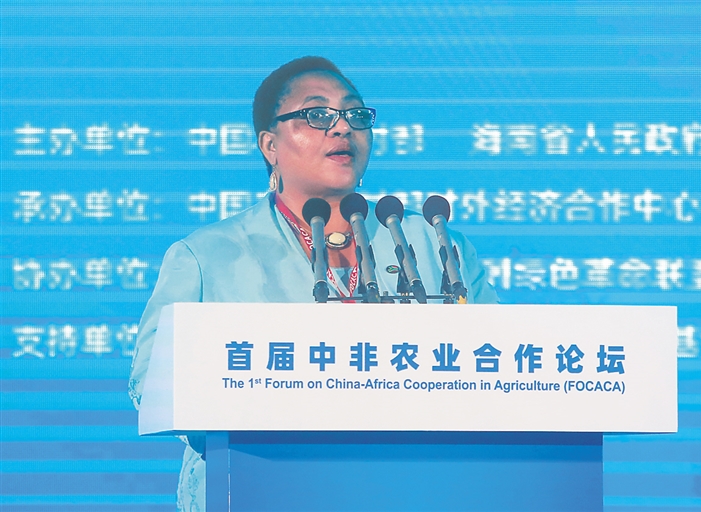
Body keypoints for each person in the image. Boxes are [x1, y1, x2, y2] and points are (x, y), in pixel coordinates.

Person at [129, 56, 498, 512]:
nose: (342, 127)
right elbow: (153, 381)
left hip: (416, 487)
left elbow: (499, 363)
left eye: (355, 114)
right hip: (257, 488)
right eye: (317, 114)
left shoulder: (431, 242)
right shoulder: (209, 255)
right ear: (270, 145)